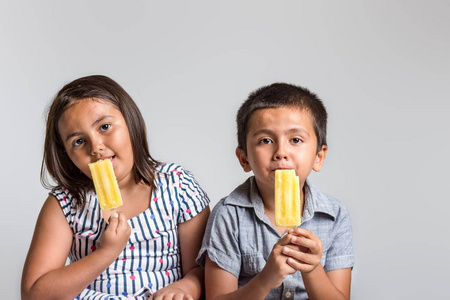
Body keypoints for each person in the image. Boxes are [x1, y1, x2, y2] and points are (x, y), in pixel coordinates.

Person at [21, 75, 211, 300]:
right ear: (66, 154)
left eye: (105, 127)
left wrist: (185, 288)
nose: (96, 147)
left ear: (130, 122)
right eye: (78, 141)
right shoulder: (65, 204)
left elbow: (201, 271)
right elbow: (34, 294)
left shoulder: (178, 187)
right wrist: (106, 252)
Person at [196, 83, 354, 299]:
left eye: (295, 140)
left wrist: (312, 268)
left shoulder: (335, 217)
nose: (281, 152)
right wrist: (266, 278)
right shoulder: (228, 215)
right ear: (244, 158)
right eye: (266, 140)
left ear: (319, 157)